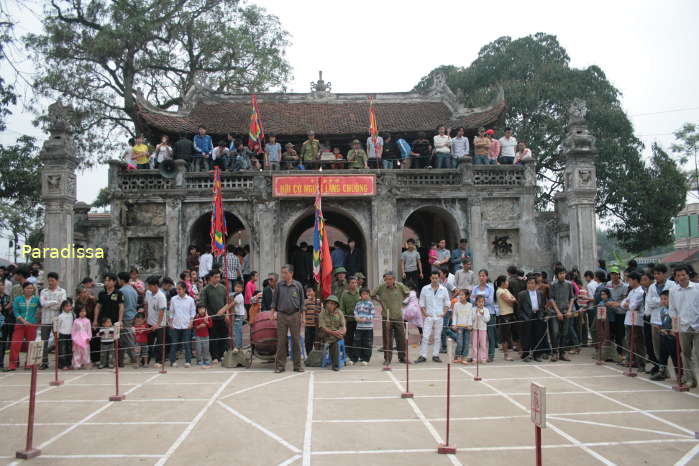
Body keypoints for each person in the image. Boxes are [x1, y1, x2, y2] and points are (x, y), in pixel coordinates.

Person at [669, 265, 699, 388]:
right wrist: (675, 325)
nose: (681, 277)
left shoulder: (697, 288)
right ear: (675, 277)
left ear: (688, 275)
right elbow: (672, 310)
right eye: (678, 275)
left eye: (683, 275)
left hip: (697, 325)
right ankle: (690, 379)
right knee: (685, 353)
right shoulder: (673, 291)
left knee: (698, 353)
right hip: (682, 326)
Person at [371, 272, 410, 367]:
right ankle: (387, 358)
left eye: (390, 279)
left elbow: (408, 293)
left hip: (398, 316)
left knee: (401, 337)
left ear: (394, 279)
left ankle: (402, 357)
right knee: (387, 338)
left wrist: (401, 302)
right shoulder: (381, 287)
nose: (388, 281)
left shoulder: (400, 286)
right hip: (386, 316)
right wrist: (379, 301)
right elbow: (372, 294)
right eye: (386, 279)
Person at [273, 265, 305, 373]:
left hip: (295, 315)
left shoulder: (298, 285)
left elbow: (302, 303)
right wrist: (272, 314)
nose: (283, 275)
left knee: (296, 341)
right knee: (281, 341)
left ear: (291, 273)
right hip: (281, 315)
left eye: (285, 273)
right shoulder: (279, 285)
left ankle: (297, 365)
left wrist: (303, 317)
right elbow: (274, 301)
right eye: (282, 273)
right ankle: (280, 366)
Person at [645, 264, 675, 378]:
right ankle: (663, 370)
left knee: (670, 346)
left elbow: (672, 301)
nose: (656, 276)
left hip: (669, 320)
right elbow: (649, 302)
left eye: (658, 273)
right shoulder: (652, 287)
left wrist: (658, 301)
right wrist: (661, 301)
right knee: (657, 347)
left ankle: (679, 373)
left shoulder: (672, 285)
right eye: (655, 274)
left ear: (665, 274)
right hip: (656, 319)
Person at [416, 271, 450, 363]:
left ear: (439, 278)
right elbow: (421, 303)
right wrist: (424, 313)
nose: (435, 280)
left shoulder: (444, 289)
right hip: (429, 316)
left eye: (436, 278)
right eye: (433, 278)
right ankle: (423, 355)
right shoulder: (425, 289)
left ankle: (436, 355)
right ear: (430, 278)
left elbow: (447, 303)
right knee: (426, 336)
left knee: (437, 337)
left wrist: (444, 313)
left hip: (439, 316)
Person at [39, 271, 66, 369]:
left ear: (57, 280)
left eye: (52, 280)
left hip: (56, 320)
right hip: (45, 320)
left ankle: (59, 362)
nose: (50, 282)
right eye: (49, 281)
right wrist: (54, 302)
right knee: (44, 341)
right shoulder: (43, 291)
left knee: (58, 341)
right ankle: (44, 362)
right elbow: (42, 303)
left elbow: (61, 305)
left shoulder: (62, 291)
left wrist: (48, 304)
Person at [200, 271, 228, 364]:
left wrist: (227, 314)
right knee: (213, 338)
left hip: (222, 317)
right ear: (211, 278)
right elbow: (203, 304)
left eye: (219, 277)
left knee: (223, 337)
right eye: (215, 277)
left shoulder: (223, 288)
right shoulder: (206, 289)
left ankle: (220, 355)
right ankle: (214, 356)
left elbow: (226, 303)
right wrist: (206, 315)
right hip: (212, 318)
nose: (217, 279)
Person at [518, 274, 546, 362]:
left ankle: (536, 354)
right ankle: (526, 354)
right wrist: (524, 317)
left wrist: (542, 315)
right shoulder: (522, 294)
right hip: (527, 317)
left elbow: (542, 306)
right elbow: (519, 309)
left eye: (533, 283)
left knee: (537, 335)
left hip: (537, 316)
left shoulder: (540, 293)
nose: (531, 285)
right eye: (529, 283)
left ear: (536, 284)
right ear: (527, 284)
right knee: (527, 337)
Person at [549, 268, 575, 362]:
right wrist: (558, 312)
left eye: (563, 273)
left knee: (565, 333)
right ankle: (554, 353)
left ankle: (562, 353)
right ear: (556, 275)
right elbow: (551, 299)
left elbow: (572, 298)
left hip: (566, 311)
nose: (562, 275)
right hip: (554, 312)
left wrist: (569, 310)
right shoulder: (552, 284)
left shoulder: (569, 284)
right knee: (555, 332)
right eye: (560, 273)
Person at [470, 270, 497, 362]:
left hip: (489, 312)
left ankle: (490, 355)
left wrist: (478, 299)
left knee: (490, 336)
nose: (481, 278)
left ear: (486, 277)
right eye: (480, 276)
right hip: (477, 313)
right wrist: (480, 299)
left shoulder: (490, 288)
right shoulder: (475, 288)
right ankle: (476, 356)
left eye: (483, 276)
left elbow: (489, 301)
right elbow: (472, 300)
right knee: (476, 338)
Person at [621, 271, 646, 370]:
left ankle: (641, 363)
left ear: (635, 280)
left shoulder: (640, 292)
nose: (628, 282)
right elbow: (623, 304)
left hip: (637, 321)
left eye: (629, 280)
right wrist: (627, 304)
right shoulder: (631, 291)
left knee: (638, 342)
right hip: (628, 319)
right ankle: (632, 360)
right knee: (629, 341)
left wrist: (628, 304)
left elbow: (633, 306)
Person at [168, 280, 196, 368]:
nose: (178, 291)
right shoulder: (173, 299)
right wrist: (170, 322)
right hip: (175, 325)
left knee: (187, 344)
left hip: (186, 325)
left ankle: (188, 361)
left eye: (179, 289)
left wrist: (191, 322)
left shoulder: (190, 300)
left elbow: (193, 312)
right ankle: (172, 361)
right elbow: (171, 312)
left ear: (184, 289)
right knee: (174, 344)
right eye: (177, 289)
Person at [653, 291, 678, 380]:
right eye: (662, 299)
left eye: (665, 299)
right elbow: (663, 322)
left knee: (675, 355)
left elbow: (676, 324)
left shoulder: (674, 310)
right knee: (662, 354)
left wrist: (671, 331)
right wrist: (660, 327)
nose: (663, 301)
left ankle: (680, 375)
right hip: (663, 335)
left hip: (672, 336)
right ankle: (662, 372)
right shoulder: (663, 310)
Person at [144, 276, 167, 367]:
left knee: (160, 343)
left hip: (160, 324)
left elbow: (162, 311)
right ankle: (146, 360)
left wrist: (157, 324)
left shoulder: (161, 296)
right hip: (150, 322)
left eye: (150, 286)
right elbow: (146, 304)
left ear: (156, 285)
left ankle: (159, 360)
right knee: (149, 342)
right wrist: (146, 316)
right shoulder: (148, 293)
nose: (149, 288)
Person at [606, 267, 629, 358]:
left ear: (619, 275)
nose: (613, 276)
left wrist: (617, 303)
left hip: (621, 312)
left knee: (620, 333)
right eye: (612, 274)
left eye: (615, 274)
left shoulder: (624, 286)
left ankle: (621, 352)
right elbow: (607, 294)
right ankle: (613, 352)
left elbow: (625, 299)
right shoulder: (608, 284)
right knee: (611, 331)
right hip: (610, 311)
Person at [319, 295, 346, 371]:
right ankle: (335, 365)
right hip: (326, 334)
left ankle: (335, 365)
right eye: (329, 303)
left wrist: (342, 333)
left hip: (337, 334)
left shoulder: (339, 312)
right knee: (334, 340)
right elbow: (322, 328)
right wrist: (335, 333)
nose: (331, 305)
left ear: (336, 305)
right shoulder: (322, 313)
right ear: (326, 304)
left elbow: (343, 326)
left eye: (333, 304)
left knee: (334, 343)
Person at [350, 288, 375, 365]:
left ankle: (366, 359)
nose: (365, 295)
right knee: (356, 343)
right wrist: (356, 317)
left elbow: (373, 315)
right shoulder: (358, 304)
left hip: (368, 328)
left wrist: (365, 319)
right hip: (359, 327)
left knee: (367, 343)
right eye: (363, 294)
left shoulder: (371, 304)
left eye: (367, 294)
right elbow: (355, 312)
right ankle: (354, 359)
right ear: (360, 295)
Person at [117, 272, 138, 366]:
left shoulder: (121, 291)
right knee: (123, 339)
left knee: (128, 339)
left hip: (125, 317)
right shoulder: (133, 290)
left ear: (121, 280)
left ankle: (134, 359)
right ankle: (120, 361)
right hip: (133, 315)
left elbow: (122, 306)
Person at [495, 275, 517, 361]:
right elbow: (510, 301)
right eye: (507, 281)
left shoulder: (506, 290)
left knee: (514, 333)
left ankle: (518, 351)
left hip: (511, 313)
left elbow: (513, 299)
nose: (508, 283)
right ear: (503, 283)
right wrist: (512, 300)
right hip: (504, 315)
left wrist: (512, 300)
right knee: (505, 336)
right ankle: (506, 355)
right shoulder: (500, 291)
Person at [339, 276, 360, 365]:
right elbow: (341, 307)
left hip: (359, 320)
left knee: (358, 338)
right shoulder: (344, 294)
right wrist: (344, 318)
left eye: (355, 283)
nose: (354, 284)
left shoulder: (360, 293)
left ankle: (357, 355)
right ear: (348, 284)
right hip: (349, 320)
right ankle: (349, 355)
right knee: (349, 338)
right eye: (352, 283)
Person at [452, 289, 472, 363]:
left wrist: (470, 325)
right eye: (460, 294)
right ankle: (457, 355)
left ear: (467, 296)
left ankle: (464, 357)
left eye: (462, 295)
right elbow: (455, 315)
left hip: (467, 327)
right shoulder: (456, 305)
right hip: (459, 327)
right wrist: (454, 324)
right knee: (460, 342)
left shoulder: (470, 305)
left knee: (466, 343)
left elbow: (470, 316)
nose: (460, 296)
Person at [469, 295, 490, 363]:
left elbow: (487, 320)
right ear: (476, 302)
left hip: (483, 329)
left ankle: (483, 358)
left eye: (482, 302)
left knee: (483, 344)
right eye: (479, 302)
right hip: (475, 329)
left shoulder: (486, 310)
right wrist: (476, 313)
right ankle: (475, 358)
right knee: (475, 344)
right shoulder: (473, 309)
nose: (481, 303)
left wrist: (483, 314)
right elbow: (472, 319)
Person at [71, 303, 92, 369]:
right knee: (77, 352)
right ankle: (77, 364)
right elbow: (73, 331)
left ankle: (86, 363)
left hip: (85, 339)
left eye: (84, 311)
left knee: (86, 351)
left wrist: (89, 337)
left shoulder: (88, 321)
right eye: (81, 311)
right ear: (78, 312)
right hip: (77, 339)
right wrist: (73, 339)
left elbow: (89, 330)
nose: (83, 313)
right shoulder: (76, 321)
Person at [56, 299, 75, 369]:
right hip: (62, 334)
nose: (69, 308)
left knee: (69, 350)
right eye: (67, 306)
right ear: (63, 307)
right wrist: (57, 334)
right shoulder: (60, 316)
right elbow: (57, 326)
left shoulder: (73, 315)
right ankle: (62, 364)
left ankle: (69, 363)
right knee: (62, 350)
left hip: (70, 334)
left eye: (70, 306)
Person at [303, 286, 321, 355]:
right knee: (308, 342)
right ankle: (309, 356)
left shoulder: (318, 301)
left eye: (310, 291)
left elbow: (321, 311)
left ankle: (317, 356)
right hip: (308, 325)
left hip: (316, 326)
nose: (308, 293)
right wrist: (304, 320)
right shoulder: (305, 301)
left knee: (316, 341)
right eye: (307, 292)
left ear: (314, 292)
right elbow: (303, 312)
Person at [232, 281, 246, 351]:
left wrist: (223, 310)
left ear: (242, 289)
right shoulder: (236, 295)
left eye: (239, 287)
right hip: (238, 315)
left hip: (239, 315)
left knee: (237, 330)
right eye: (236, 287)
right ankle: (239, 346)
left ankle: (237, 346)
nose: (237, 288)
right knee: (238, 330)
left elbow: (232, 304)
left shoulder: (239, 296)